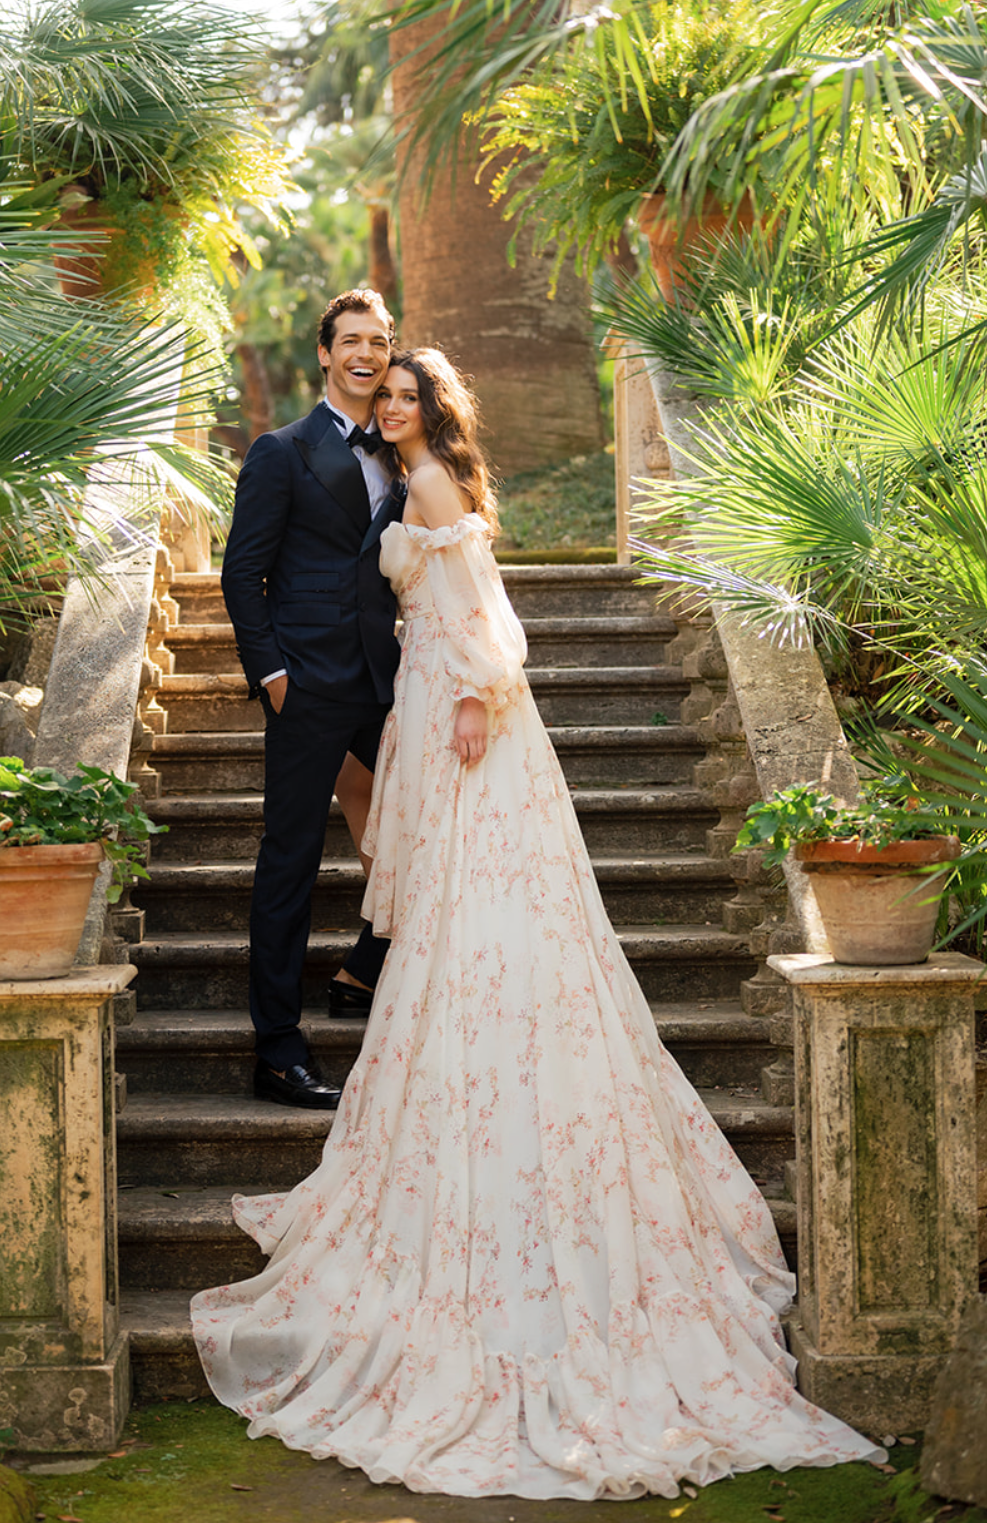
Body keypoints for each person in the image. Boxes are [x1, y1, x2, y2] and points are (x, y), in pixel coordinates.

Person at [193, 346, 882, 1500]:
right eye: (386, 391)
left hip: (467, 721)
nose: (392, 401)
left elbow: (485, 618)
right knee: (452, 925)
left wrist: (475, 697)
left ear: (431, 407)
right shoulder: (402, 475)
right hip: (420, 704)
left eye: (409, 393)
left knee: (482, 922)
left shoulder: (429, 486)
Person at [221, 290, 406, 1110]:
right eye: (352, 342)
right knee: (289, 861)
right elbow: (242, 572)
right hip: (307, 684)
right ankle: (278, 1047)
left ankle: (368, 963)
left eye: (380, 341)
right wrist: (272, 676)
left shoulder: (401, 449)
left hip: (390, 680)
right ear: (325, 355)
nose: (366, 354)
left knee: (433, 824)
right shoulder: (281, 451)